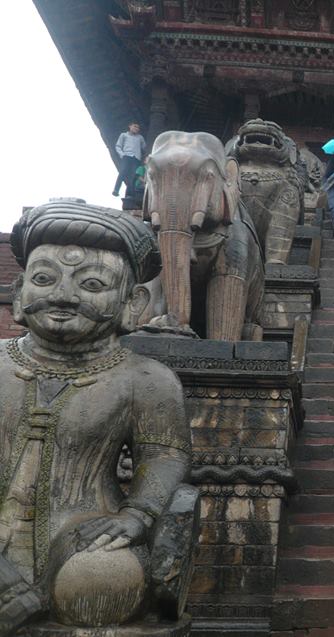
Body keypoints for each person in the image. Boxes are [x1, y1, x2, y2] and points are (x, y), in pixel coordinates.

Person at [0, 201, 194, 632]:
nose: (64, 295)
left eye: (91, 284)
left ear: (133, 302)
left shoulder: (146, 379)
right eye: (45, 278)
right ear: (18, 293)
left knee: (99, 586)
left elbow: (164, 456)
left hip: (83, 531)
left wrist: (137, 515)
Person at [112, 121, 147, 197]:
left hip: (136, 158)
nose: (136, 129)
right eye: (135, 126)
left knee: (133, 176)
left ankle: (130, 194)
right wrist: (122, 155)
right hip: (126, 156)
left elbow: (144, 148)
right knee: (122, 172)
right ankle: (116, 190)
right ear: (130, 126)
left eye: (138, 128)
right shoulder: (124, 135)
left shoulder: (140, 137)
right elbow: (118, 146)